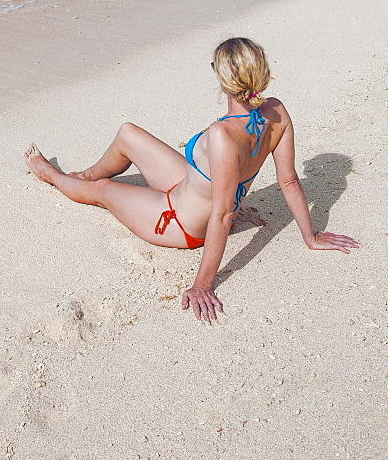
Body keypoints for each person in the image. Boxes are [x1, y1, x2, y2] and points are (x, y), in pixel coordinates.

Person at [24, 36, 358, 322]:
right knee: (128, 133)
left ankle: (50, 174)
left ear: (221, 77)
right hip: (188, 185)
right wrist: (310, 235)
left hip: (182, 223)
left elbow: (224, 214)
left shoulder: (223, 135)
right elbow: (288, 181)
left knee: (104, 190)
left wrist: (202, 284)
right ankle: (84, 174)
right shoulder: (277, 111)